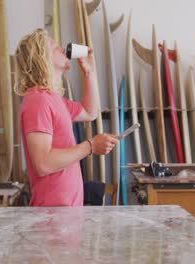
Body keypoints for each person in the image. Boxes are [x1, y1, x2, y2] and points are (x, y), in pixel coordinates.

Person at [14, 28, 118, 206]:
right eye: (55, 47)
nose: (64, 50)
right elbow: (43, 163)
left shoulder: (53, 100)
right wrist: (90, 146)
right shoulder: (37, 101)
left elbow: (90, 111)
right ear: (42, 59)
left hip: (65, 212)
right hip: (52, 215)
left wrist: (89, 73)